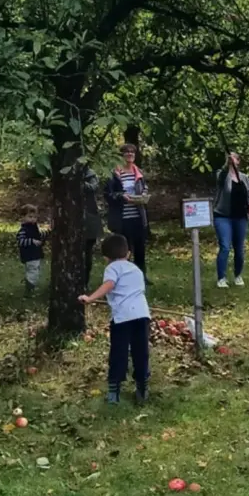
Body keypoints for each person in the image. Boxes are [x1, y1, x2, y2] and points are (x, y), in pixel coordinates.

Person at [79, 234, 151, 405]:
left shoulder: (112, 268)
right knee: (141, 352)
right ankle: (142, 387)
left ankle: (114, 390)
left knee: (119, 353)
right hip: (142, 315)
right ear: (128, 253)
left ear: (106, 257)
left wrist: (91, 298)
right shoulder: (136, 269)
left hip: (122, 318)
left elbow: (109, 285)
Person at [103, 143, 149, 277]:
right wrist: (121, 196)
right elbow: (108, 195)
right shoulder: (114, 174)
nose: (129, 154)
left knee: (140, 249)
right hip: (122, 218)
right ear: (121, 156)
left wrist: (144, 194)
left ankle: (141, 276)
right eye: (126, 152)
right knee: (123, 249)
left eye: (132, 152)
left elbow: (144, 188)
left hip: (138, 216)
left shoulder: (138, 173)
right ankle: (122, 276)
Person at [213, 151, 249, 288]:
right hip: (223, 216)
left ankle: (238, 275)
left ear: (238, 161)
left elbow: (248, 193)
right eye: (229, 157)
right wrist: (227, 165)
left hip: (240, 217)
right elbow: (221, 179)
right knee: (225, 246)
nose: (231, 159)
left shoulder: (244, 177)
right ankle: (221, 278)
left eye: (234, 157)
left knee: (239, 248)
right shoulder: (222, 174)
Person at [16, 204, 46, 297]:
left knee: (35, 269)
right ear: (23, 217)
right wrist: (32, 241)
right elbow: (20, 241)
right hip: (29, 255)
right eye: (30, 217)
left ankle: (31, 285)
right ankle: (30, 288)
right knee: (33, 270)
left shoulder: (35, 228)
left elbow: (40, 236)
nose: (32, 219)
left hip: (35, 253)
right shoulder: (24, 230)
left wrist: (47, 233)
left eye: (34, 217)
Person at [81, 168, 104, 285]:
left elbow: (92, 188)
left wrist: (78, 181)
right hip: (71, 216)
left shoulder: (90, 174)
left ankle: (85, 282)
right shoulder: (64, 171)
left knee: (87, 251)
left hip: (89, 217)